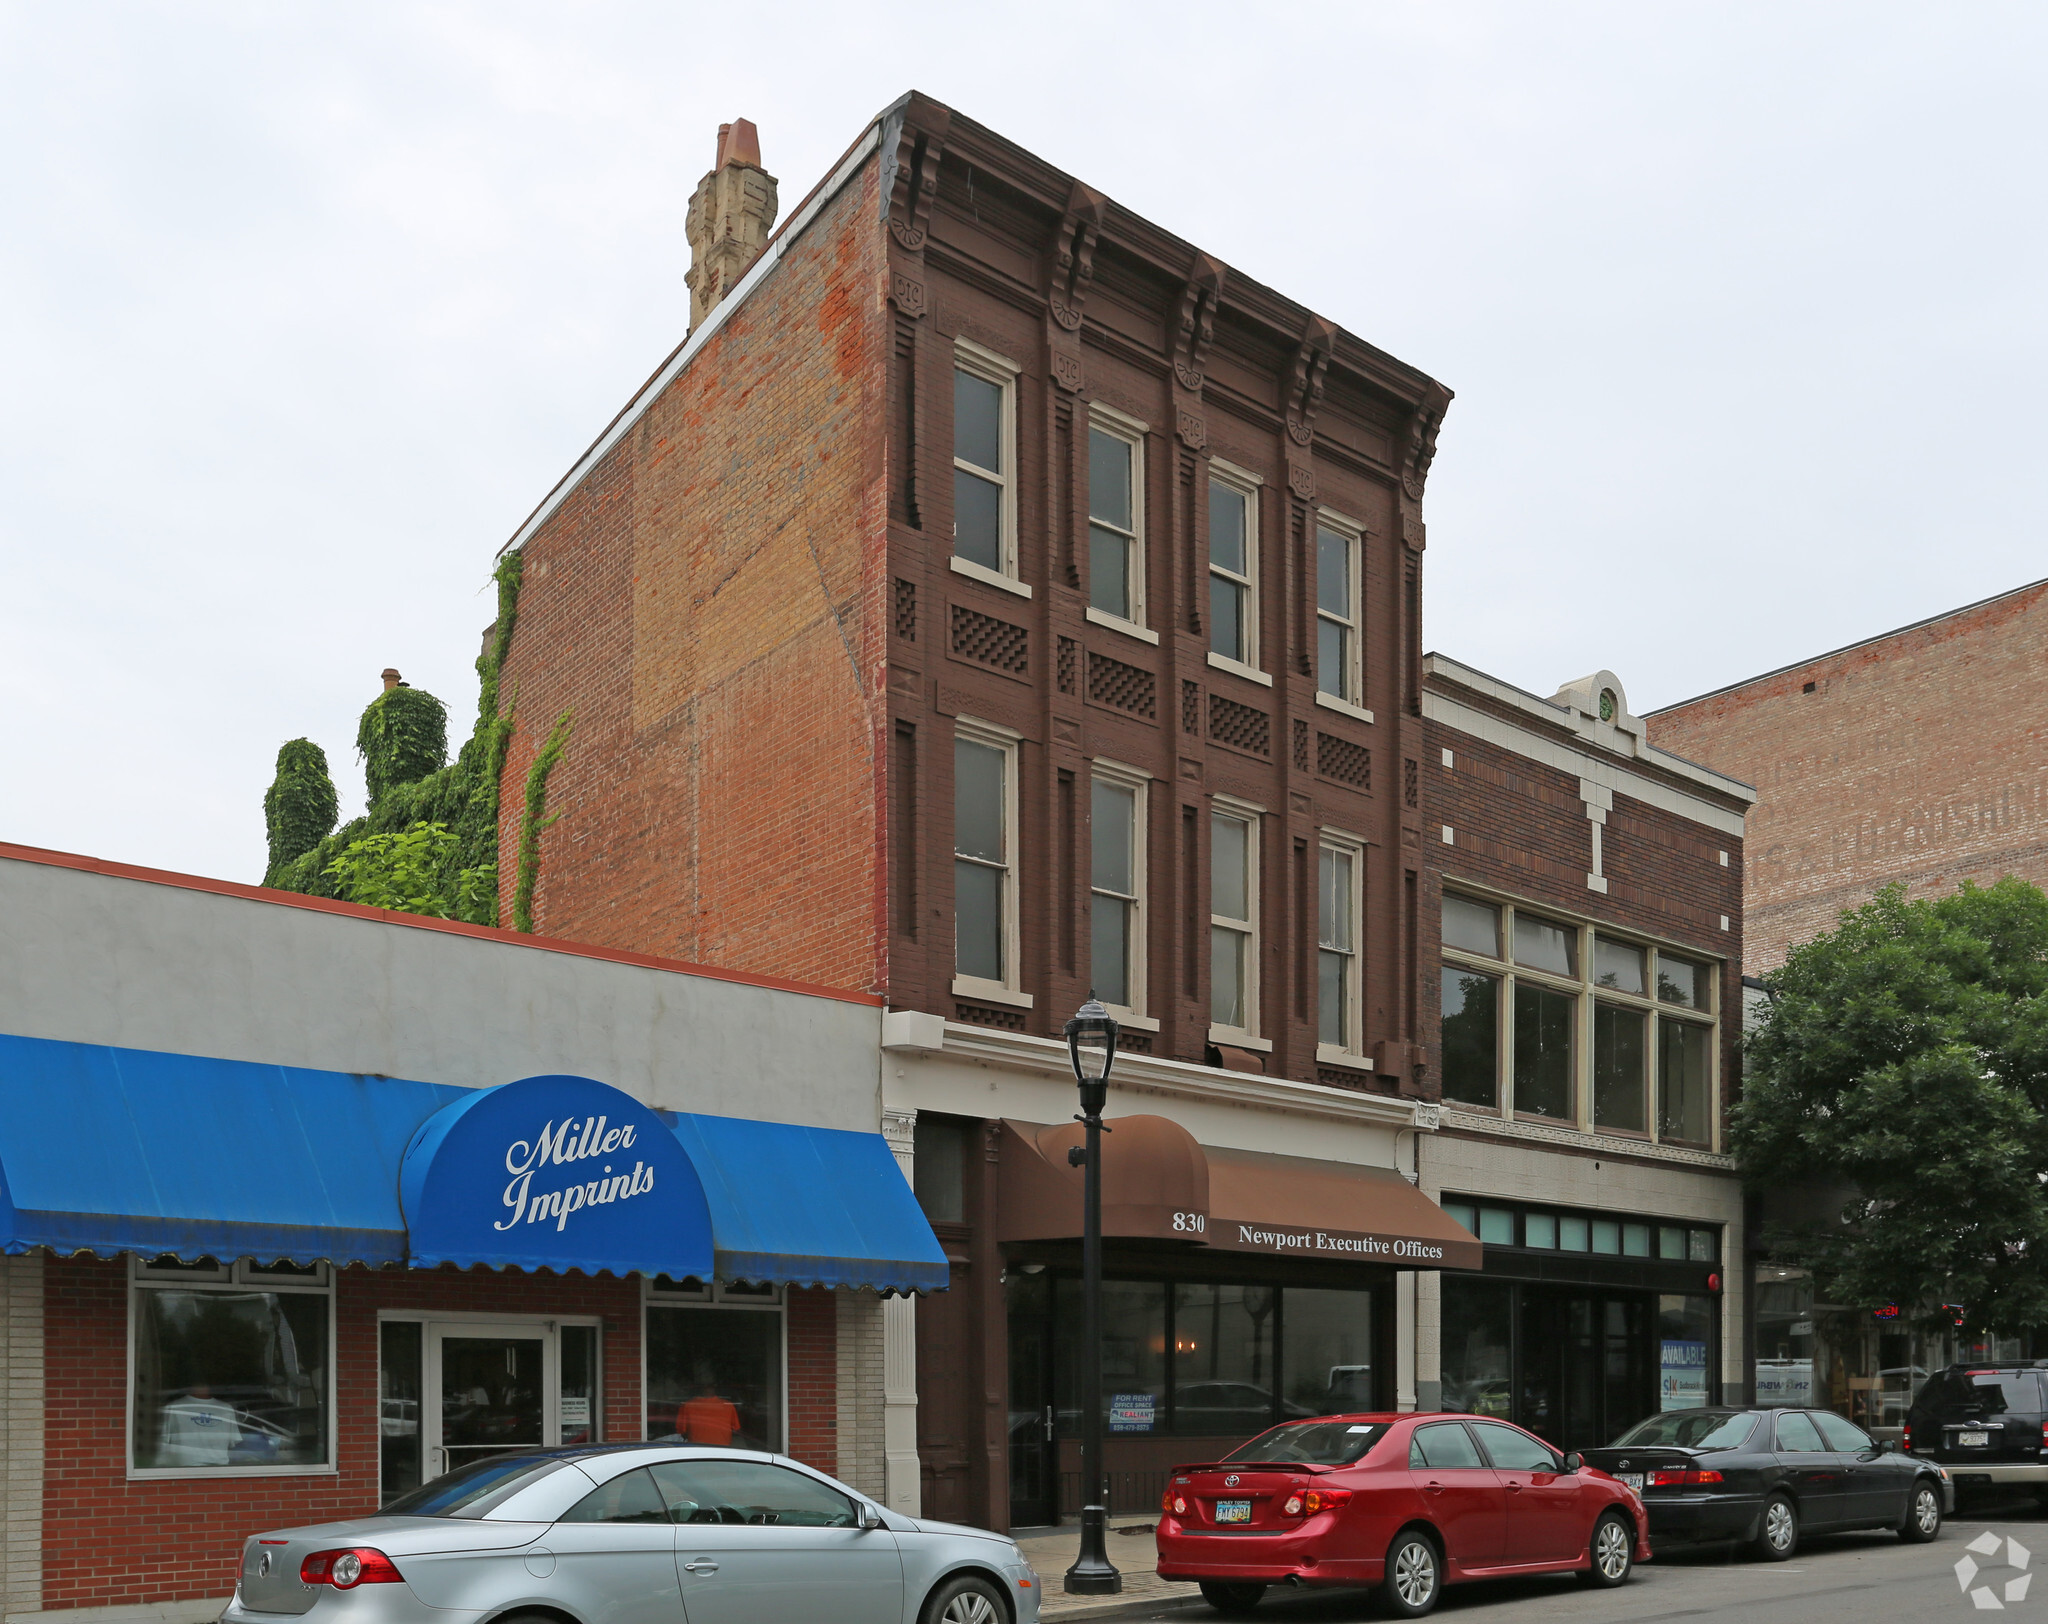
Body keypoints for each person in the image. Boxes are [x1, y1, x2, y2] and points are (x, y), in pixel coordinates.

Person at [157, 1382, 241, 1467]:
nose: (202, 1386)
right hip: (184, 1470)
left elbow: (234, 1443)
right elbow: (164, 1442)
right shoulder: (174, 1407)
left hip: (218, 1468)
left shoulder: (226, 1408)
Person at [675, 1370, 742, 1447]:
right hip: (722, 1451)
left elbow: (682, 1432)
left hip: (698, 1451)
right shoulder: (728, 1405)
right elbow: (736, 1430)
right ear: (715, 1386)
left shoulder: (687, 1405)